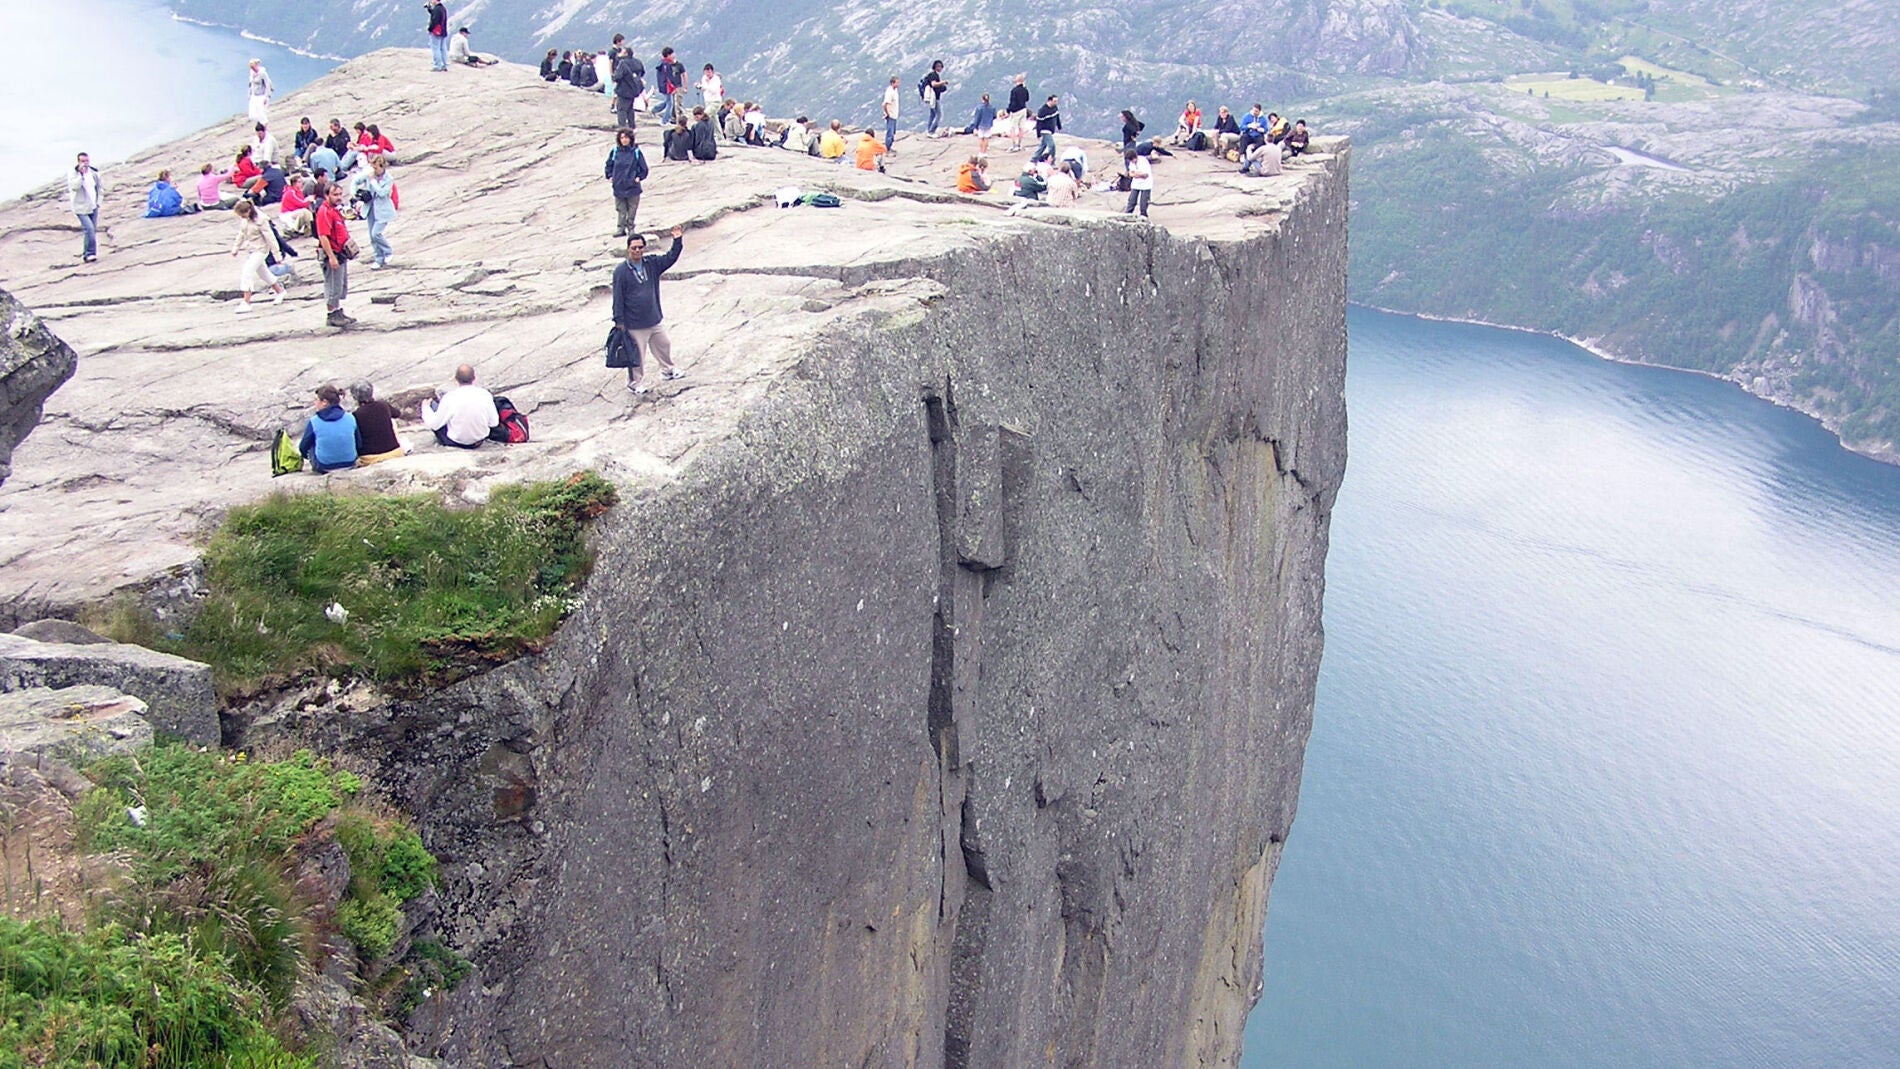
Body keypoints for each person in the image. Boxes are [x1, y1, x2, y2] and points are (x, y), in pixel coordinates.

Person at [612, 226, 687, 395]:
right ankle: (634, 383)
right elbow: (617, 297)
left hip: (654, 318)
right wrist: (619, 321)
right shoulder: (621, 272)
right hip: (635, 323)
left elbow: (670, 258)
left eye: (640, 247)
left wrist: (677, 240)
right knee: (637, 355)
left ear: (644, 248)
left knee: (664, 344)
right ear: (628, 249)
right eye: (634, 248)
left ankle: (667, 370)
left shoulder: (651, 264)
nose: (637, 251)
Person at [228, 200, 287, 310]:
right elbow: (241, 233)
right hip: (251, 249)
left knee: (247, 272)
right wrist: (236, 247)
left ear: (248, 210)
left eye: (242, 214)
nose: (241, 217)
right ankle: (280, 291)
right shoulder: (245, 220)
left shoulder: (261, 220)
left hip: (261, 250)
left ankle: (246, 302)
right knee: (263, 273)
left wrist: (277, 255)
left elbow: (271, 238)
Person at [422, 364, 498, 447]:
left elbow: (434, 425)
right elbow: (494, 423)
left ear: (456, 379)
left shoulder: (450, 397)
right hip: (478, 441)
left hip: (455, 442)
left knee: (434, 406)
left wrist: (425, 408)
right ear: (474, 378)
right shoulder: (485, 395)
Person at [314, 180, 355, 328]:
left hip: (341, 252)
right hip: (332, 253)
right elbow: (323, 236)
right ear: (326, 195)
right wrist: (331, 256)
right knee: (332, 284)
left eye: (340, 194)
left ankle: (338, 311)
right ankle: (332, 315)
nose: (338, 197)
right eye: (334, 194)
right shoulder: (324, 211)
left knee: (340, 285)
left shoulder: (335, 209)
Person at [300, 385, 360, 473]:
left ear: (324, 402)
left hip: (324, 466)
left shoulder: (314, 421)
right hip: (349, 463)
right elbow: (359, 443)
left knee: (312, 441)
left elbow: (303, 447)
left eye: (316, 400)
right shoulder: (350, 418)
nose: (314, 403)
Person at [604, 127, 648, 237]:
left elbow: (644, 168)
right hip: (619, 185)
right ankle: (620, 228)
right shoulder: (615, 152)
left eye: (626, 137)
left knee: (632, 209)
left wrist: (639, 177)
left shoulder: (636, 152)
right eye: (622, 137)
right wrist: (609, 176)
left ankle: (631, 228)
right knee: (621, 209)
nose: (624, 140)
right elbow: (609, 165)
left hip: (632, 186)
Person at [349, 382, 406, 464]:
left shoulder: (356, 415)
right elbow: (397, 414)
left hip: (370, 458)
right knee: (392, 421)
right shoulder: (383, 405)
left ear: (355, 397)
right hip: (394, 452)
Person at [362, 155, 397, 269]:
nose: (375, 171)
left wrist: (373, 182)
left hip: (383, 209)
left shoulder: (388, 179)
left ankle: (388, 251)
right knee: (372, 237)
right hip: (371, 208)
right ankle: (378, 258)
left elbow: (382, 193)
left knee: (376, 233)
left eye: (376, 168)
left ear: (382, 167)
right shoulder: (371, 176)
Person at [67, 152, 102, 263]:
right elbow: (74, 187)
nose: (85, 163)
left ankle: (88, 252)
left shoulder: (94, 173)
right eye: (82, 161)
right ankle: (89, 254)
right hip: (80, 207)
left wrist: (99, 202)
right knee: (89, 229)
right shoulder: (73, 173)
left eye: (87, 161)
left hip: (93, 205)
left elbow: (99, 188)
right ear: (78, 162)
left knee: (92, 230)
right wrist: (81, 175)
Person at [613, 49, 646, 128]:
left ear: (626, 53)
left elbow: (617, 76)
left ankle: (622, 127)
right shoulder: (638, 62)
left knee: (621, 109)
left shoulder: (623, 63)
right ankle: (632, 126)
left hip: (624, 89)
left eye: (622, 52)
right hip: (634, 89)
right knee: (630, 108)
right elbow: (642, 73)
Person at [656, 47, 686, 121]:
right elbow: (669, 77)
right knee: (671, 103)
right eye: (672, 54)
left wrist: (685, 86)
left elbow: (684, 74)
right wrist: (673, 86)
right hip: (670, 87)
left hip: (672, 86)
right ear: (668, 55)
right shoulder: (665, 65)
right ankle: (665, 120)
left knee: (670, 102)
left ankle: (655, 110)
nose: (674, 55)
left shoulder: (676, 65)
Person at [1122, 147, 1151, 217]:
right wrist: (1137, 174)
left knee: (1144, 202)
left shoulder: (1143, 161)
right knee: (1132, 200)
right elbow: (1131, 173)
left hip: (1146, 184)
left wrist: (1136, 174)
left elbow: (1145, 175)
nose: (1131, 162)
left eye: (1132, 160)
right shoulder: (1132, 163)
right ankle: (1127, 214)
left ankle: (1143, 215)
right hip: (1136, 184)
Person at [920, 60, 947, 136]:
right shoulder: (934, 75)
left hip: (934, 97)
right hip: (934, 98)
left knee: (932, 114)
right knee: (938, 114)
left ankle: (929, 130)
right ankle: (932, 131)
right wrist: (943, 83)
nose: (940, 68)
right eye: (939, 66)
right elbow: (934, 84)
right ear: (936, 67)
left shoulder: (934, 75)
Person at [1032, 95, 1061, 162]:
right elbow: (1039, 123)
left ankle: (1034, 159)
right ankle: (1051, 161)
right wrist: (1038, 134)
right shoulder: (1042, 110)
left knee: (1042, 146)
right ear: (1049, 101)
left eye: (1056, 101)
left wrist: (1059, 126)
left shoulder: (1055, 108)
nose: (1056, 102)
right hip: (1044, 130)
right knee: (1052, 146)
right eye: (1054, 101)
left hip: (1051, 130)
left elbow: (1057, 117)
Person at [1005, 74, 1030, 151]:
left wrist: (1008, 110)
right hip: (1023, 109)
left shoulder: (1014, 91)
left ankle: (1014, 145)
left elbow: (1012, 102)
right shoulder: (1025, 90)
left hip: (1015, 111)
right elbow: (1027, 99)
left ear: (1016, 80)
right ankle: (1019, 144)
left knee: (1012, 128)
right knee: (1021, 128)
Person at [247, 59, 273, 125]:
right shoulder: (252, 72)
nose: (252, 69)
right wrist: (249, 93)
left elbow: (268, 85)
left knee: (261, 113)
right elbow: (251, 83)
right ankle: (259, 124)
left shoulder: (262, 73)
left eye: (253, 67)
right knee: (252, 115)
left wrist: (266, 97)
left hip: (261, 95)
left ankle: (264, 127)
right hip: (254, 95)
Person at [425, 0, 450, 71]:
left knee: (436, 48)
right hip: (443, 31)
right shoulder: (442, 8)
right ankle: (444, 65)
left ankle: (437, 65)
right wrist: (429, 9)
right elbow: (436, 15)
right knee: (443, 48)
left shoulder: (437, 9)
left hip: (436, 32)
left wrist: (430, 29)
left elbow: (435, 20)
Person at [881, 76, 900, 153]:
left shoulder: (895, 90)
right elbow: (884, 104)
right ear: (892, 83)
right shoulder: (890, 92)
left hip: (895, 114)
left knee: (893, 132)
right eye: (897, 82)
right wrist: (887, 113)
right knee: (890, 133)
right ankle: (886, 148)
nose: (898, 84)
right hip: (891, 115)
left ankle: (889, 147)